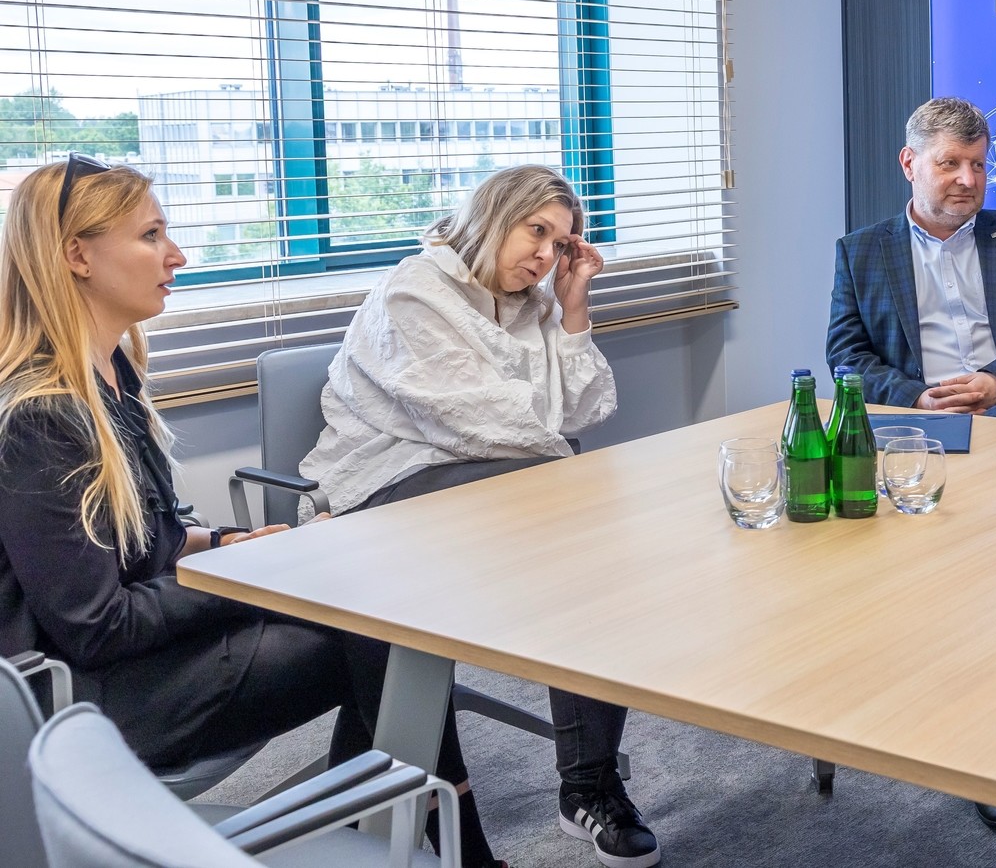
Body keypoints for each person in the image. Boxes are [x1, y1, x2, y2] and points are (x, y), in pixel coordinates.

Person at [0, 155, 504, 867]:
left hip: (139, 654)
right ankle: (435, 837)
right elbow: (97, 627)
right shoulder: (40, 417)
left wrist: (233, 542)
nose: (176, 255)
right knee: (386, 639)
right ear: (77, 256)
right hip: (92, 700)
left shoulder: (111, 374)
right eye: (150, 236)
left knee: (372, 599)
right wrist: (250, 576)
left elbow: (147, 538)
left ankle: (394, 834)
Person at [301, 164, 658, 868]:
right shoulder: (414, 292)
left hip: (499, 476)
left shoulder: (534, 302)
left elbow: (585, 409)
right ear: (494, 218)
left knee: (593, 547)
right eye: (536, 231)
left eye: (561, 243)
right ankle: (470, 821)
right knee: (586, 517)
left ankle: (588, 786)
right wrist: (565, 458)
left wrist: (574, 305)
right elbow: (487, 424)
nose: (546, 255)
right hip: (383, 483)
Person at [827, 96, 996, 426]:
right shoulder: (860, 252)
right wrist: (918, 400)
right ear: (909, 164)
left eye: (977, 165)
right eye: (950, 163)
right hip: (915, 422)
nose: (969, 180)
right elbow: (847, 356)